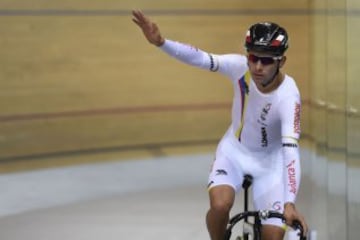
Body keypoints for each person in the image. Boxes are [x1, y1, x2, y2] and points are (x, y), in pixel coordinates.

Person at [132, 9, 308, 240]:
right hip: (235, 152)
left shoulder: (289, 96)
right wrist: (162, 43)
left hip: (270, 164)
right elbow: (201, 58)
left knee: (273, 235)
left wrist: (289, 202)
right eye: (253, 58)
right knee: (220, 205)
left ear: (281, 61)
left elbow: (290, 151)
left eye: (266, 60)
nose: (257, 67)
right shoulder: (239, 68)